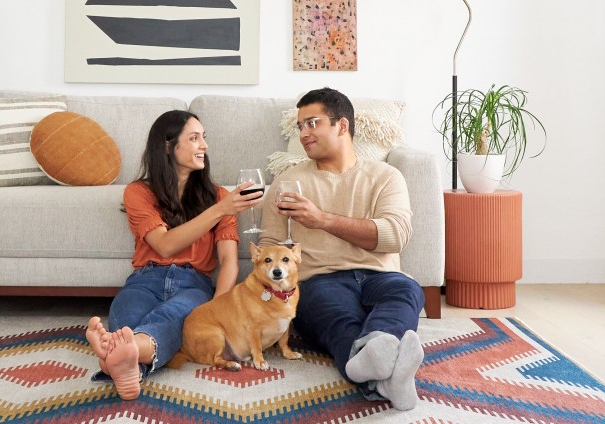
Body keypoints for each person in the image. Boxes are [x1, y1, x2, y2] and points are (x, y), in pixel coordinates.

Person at [259, 87, 424, 410]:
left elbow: (394, 236)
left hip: (380, 276)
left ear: (342, 126)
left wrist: (321, 219)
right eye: (300, 126)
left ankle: (372, 363)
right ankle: (387, 375)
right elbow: (269, 246)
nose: (304, 133)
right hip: (320, 280)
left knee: (407, 291)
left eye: (312, 123)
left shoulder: (385, 177)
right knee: (337, 319)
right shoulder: (287, 182)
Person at [85, 109, 262, 400]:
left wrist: (216, 311)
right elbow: (164, 245)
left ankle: (115, 356)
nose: (204, 145)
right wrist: (220, 210)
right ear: (168, 146)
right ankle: (127, 358)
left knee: (171, 318)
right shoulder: (138, 192)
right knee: (127, 318)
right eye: (194, 138)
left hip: (194, 284)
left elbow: (229, 261)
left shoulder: (219, 196)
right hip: (145, 279)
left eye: (204, 138)